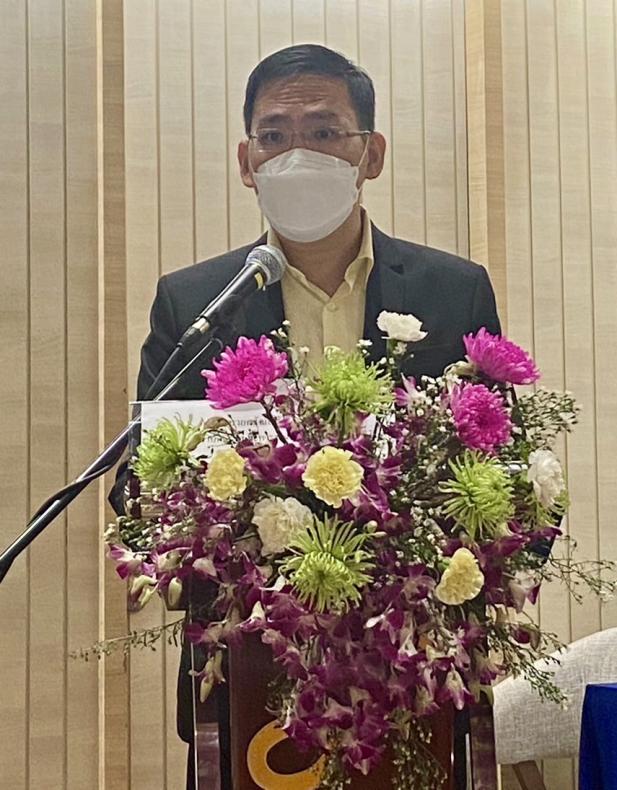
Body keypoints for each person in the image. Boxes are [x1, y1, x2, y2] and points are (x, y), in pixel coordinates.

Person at [133, 44, 501, 790]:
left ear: (371, 154)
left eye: (325, 132)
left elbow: (503, 467)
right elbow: (140, 485)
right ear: (246, 161)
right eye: (274, 135)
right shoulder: (196, 303)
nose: (296, 153)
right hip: (249, 672)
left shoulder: (452, 291)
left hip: (414, 666)